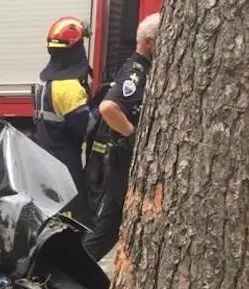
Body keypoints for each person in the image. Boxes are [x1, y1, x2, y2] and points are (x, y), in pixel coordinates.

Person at [82, 12, 161, 261]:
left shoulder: (147, 69)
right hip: (123, 163)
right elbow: (108, 108)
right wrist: (134, 137)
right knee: (107, 229)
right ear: (149, 41)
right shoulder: (136, 72)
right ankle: (67, 274)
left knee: (113, 228)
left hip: (126, 164)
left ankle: (73, 273)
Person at [32, 16, 101, 226]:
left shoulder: (43, 78)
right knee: (75, 210)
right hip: (65, 157)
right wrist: (102, 108)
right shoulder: (68, 86)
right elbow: (86, 126)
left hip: (43, 150)